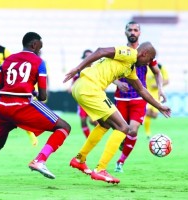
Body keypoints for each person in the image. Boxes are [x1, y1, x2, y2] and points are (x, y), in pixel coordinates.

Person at [0, 32, 71, 184]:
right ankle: (40, 160)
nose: (41, 49)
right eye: (40, 46)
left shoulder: (7, 60)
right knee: (64, 127)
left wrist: (1, 113)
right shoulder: (39, 62)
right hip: (22, 105)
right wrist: (34, 93)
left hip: (2, 106)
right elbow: (42, 96)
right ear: (34, 44)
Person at [63, 42, 171, 184]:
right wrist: (77, 68)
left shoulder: (130, 68)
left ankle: (79, 159)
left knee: (105, 124)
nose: (149, 63)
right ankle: (100, 169)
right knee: (123, 127)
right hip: (90, 88)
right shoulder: (130, 54)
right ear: (144, 54)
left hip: (82, 87)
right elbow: (101, 51)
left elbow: (141, 90)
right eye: (149, 60)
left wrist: (159, 106)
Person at [113, 21, 166, 173]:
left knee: (133, 130)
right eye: (130, 30)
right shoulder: (120, 52)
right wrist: (118, 82)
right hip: (121, 98)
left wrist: (160, 89)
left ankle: (120, 162)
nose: (133, 32)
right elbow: (110, 74)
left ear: (140, 33)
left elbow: (157, 72)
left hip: (138, 98)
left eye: (136, 30)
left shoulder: (146, 53)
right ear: (125, 32)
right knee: (119, 130)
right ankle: (120, 143)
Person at [67, 49, 97, 138]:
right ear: (83, 58)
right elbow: (73, 84)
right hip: (82, 100)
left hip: (94, 98)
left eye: (90, 56)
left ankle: (96, 135)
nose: (89, 58)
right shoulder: (79, 70)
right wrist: (71, 88)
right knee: (83, 121)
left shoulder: (96, 70)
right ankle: (88, 139)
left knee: (93, 121)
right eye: (86, 56)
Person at [144, 63, 169, 138]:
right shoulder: (145, 67)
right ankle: (147, 133)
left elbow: (167, 81)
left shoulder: (161, 67)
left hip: (156, 93)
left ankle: (143, 116)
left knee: (154, 115)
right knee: (147, 112)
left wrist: (158, 85)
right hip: (146, 93)